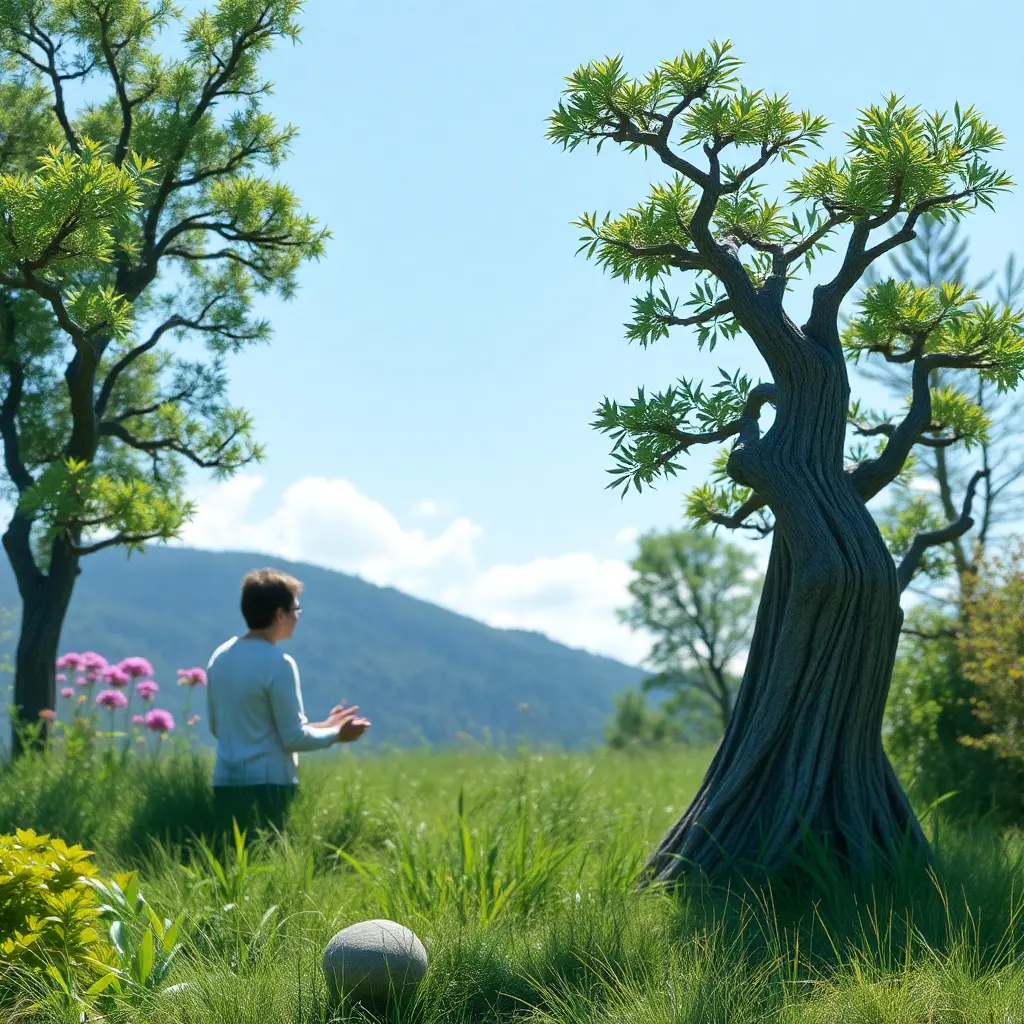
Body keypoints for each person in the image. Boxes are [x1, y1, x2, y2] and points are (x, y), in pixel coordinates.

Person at [206, 567, 370, 835]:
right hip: (270, 788)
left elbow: (220, 727)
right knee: (269, 866)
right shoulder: (279, 664)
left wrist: (325, 726)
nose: (297, 616)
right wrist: (337, 735)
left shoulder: (219, 657)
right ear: (279, 615)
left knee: (230, 866)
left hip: (224, 785)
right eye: (295, 609)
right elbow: (292, 738)